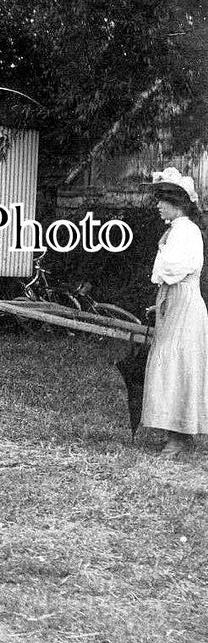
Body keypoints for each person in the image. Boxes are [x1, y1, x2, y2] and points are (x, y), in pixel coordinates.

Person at [141, 167, 208, 456]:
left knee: (179, 365)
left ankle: (180, 436)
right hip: (176, 303)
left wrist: (164, 248)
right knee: (169, 365)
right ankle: (175, 430)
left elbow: (175, 271)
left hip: (185, 307)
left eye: (161, 200)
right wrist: (160, 302)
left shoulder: (185, 231)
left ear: (176, 203)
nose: (157, 205)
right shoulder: (175, 231)